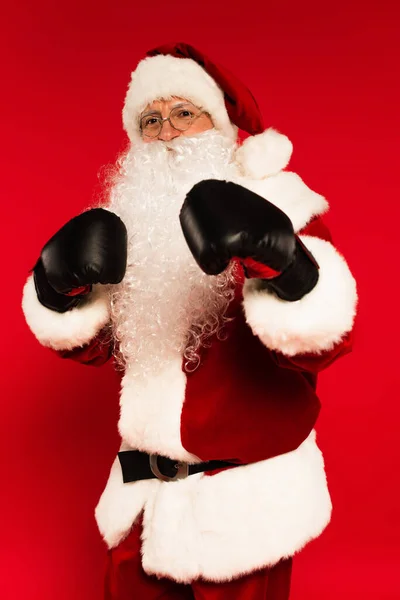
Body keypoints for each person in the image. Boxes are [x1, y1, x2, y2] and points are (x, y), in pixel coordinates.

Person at [21, 42, 358, 600]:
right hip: (143, 501)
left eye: (183, 113)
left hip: (241, 513)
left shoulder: (284, 210)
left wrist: (284, 260)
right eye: (149, 120)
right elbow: (90, 344)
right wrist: (56, 289)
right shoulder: (130, 226)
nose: (167, 132)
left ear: (221, 127)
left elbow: (323, 339)